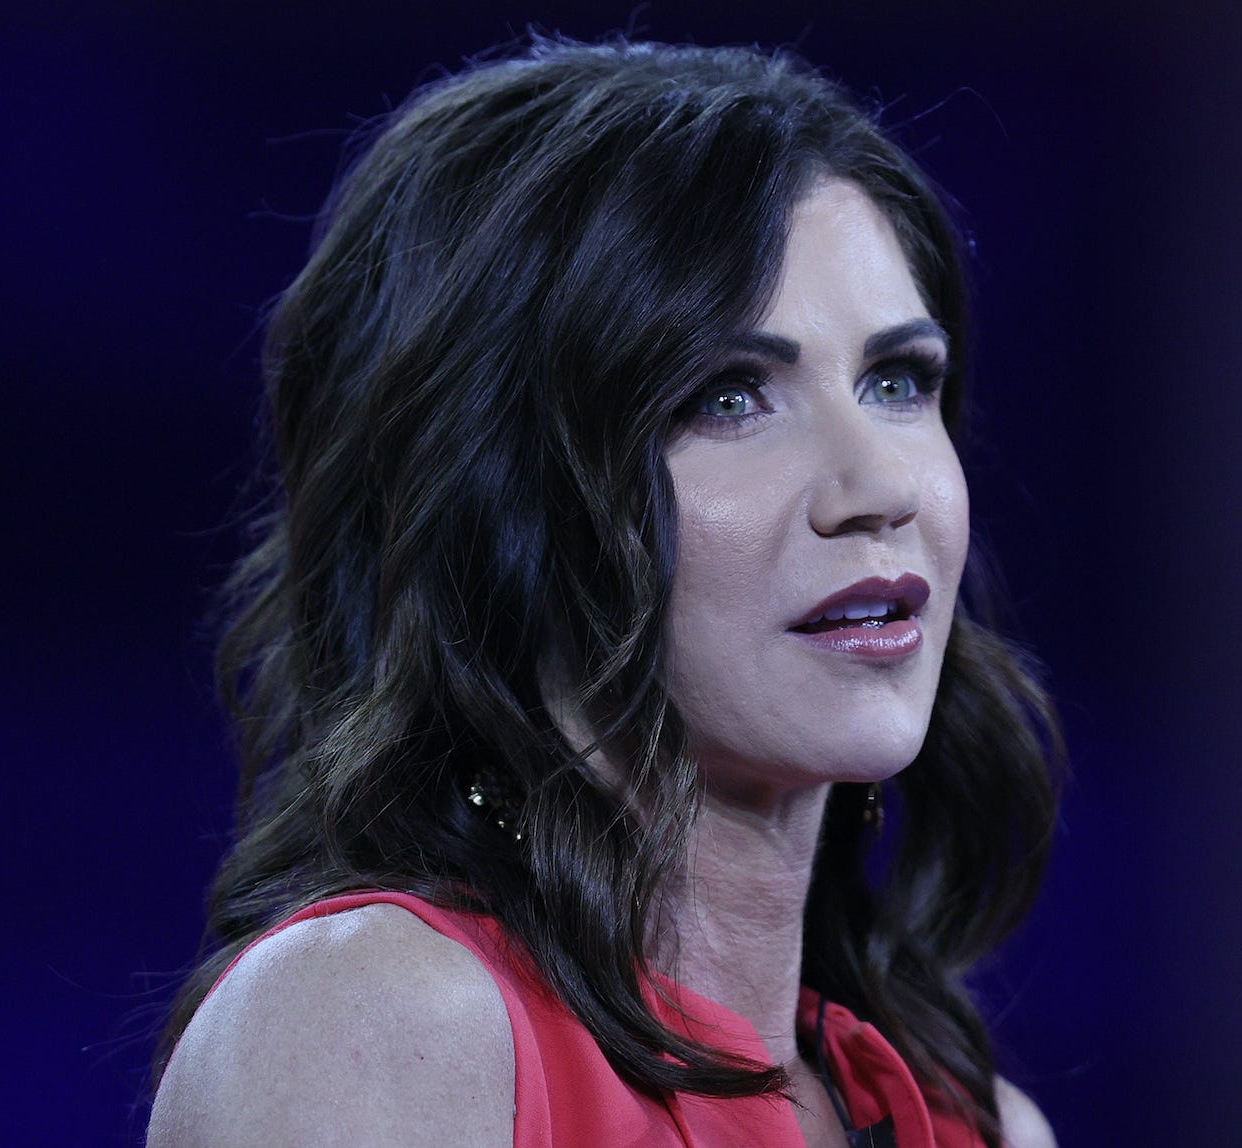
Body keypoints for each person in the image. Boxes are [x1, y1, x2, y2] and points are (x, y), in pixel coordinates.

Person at [146, 34, 1062, 1148]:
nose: (876, 487)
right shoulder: (378, 1026)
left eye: (896, 379)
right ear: (504, 493)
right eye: (728, 396)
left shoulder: (980, 1125)